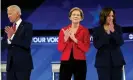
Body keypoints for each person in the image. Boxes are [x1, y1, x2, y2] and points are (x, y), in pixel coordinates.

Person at [1, 5, 33, 80]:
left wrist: (12, 37)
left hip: (23, 66)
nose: (8, 16)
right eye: (8, 14)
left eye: (10, 13)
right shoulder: (8, 27)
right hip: (10, 66)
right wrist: (9, 39)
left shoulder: (27, 26)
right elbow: (2, 46)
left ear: (18, 13)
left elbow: (26, 44)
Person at [93, 7, 126, 80]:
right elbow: (97, 45)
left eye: (112, 16)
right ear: (103, 16)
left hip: (117, 62)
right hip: (102, 63)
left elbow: (120, 42)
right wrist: (107, 33)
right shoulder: (97, 30)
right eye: (109, 16)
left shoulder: (118, 28)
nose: (111, 18)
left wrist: (113, 31)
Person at [58, 7, 90, 80]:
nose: (75, 16)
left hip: (80, 61)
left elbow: (86, 48)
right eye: (74, 14)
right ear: (70, 17)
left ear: (81, 18)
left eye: (78, 15)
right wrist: (65, 39)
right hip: (66, 61)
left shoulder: (85, 31)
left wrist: (75, 39)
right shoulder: (63, 30)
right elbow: (60, 48)